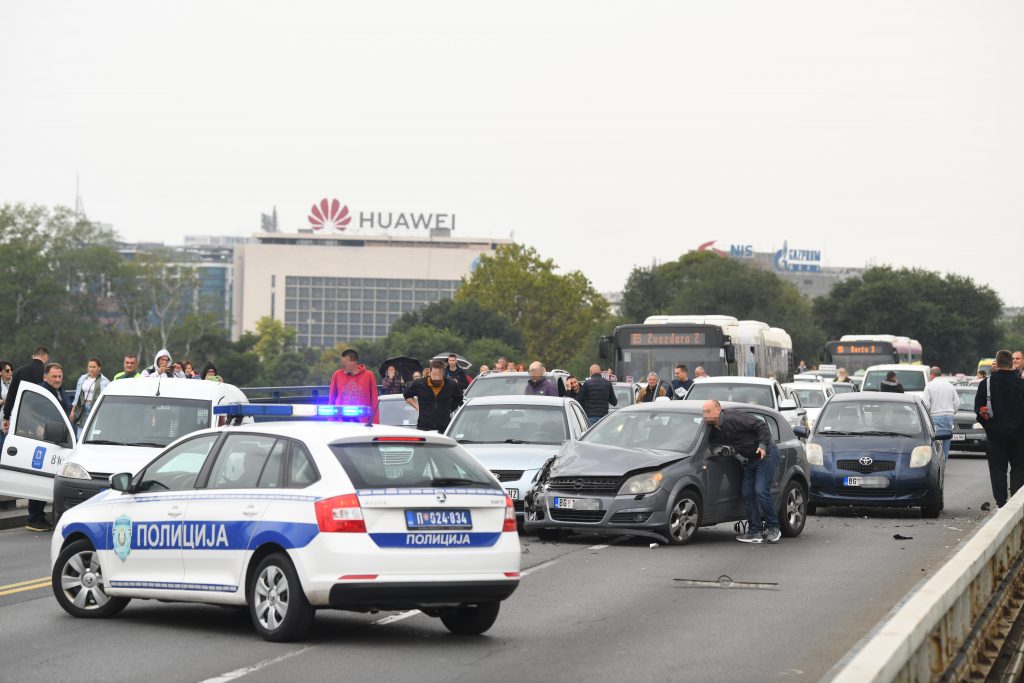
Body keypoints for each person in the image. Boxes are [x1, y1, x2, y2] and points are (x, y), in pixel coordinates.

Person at [702, 399, 780, 544]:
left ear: (718, 410)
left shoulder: (734, 418)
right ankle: (754, 531)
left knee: (761, 491)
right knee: (747, 493)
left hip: (766, 454)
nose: (704, 415)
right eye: (703, 411)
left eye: (707, 411)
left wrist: (762, 445)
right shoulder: (713, 429)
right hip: (749, 460)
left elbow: (761, 425)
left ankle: (774, 528)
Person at [975, 350, 1024, 508]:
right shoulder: (1021, 384)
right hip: (1019, 437)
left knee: (997, 472)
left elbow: (979, 411)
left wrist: (990, 428)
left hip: (995, 437)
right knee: (1018, 469)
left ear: (996, 362)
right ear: (1012, 363)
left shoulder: (986, 383)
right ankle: (1015, 504)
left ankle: (1001, 504)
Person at [403, 360, 463, 432]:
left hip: (444, 427)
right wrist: (417, 408)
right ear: (430, 372)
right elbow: (406, 395)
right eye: (434, 375)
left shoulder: (451, 384)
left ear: (443, 373)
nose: (437, 378)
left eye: (439, 375)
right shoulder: (419, 383)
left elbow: (459, 398)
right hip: (424, 427)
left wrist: (449, 409)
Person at [2, 346, 48, 436]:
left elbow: (11, 395)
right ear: (46, 357)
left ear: (33, 356)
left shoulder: (19, 371)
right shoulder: (47, 373)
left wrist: (6, 416)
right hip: (41, 419)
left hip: (21, 416)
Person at [329, 348, 379, 423]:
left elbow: (374, 402)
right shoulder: (337, 375)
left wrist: (375, 424)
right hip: (341, 423)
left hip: (363, 424)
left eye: (345, 363)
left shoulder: (369, 375)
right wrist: (331, 420)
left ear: (353, 362)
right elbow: (331, 400)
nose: (343, 365)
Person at [921, 366, 959, 461]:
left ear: (932, 375)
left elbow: (926, 403)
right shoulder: (949, 385)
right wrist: (953, 411)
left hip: (935, 415)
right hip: (949, 416)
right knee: (946, 439)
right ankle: (944, 461)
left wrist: (927, 414)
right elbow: (957, 402)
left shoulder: (929, 386)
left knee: (935, 440)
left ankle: (936, 461)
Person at [70, 358, 110, 437]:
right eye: (90, 367)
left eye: (94, 367)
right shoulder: (82, 378)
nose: (91, 369)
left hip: (95, 407)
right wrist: (73, 410)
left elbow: (107, 397)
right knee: (81, 431)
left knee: (93, 430)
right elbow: (77, 394)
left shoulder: (104, 381)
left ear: (99, 368)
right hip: (83, 407)